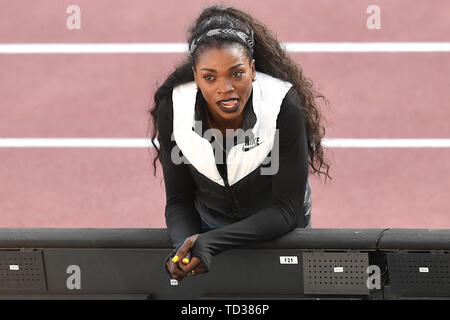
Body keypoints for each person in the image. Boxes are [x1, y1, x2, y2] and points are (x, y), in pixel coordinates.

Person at [148, 5, 331, 282]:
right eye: (210, 77)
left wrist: (210, 242)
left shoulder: (282, 104)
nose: (225, 88)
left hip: (278, 228)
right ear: (196, 77)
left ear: (252, 70)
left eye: (237, 73)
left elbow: (287, 210)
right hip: (208, 225)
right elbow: (179, 201)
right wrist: (184, 248)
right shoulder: (172, 107)